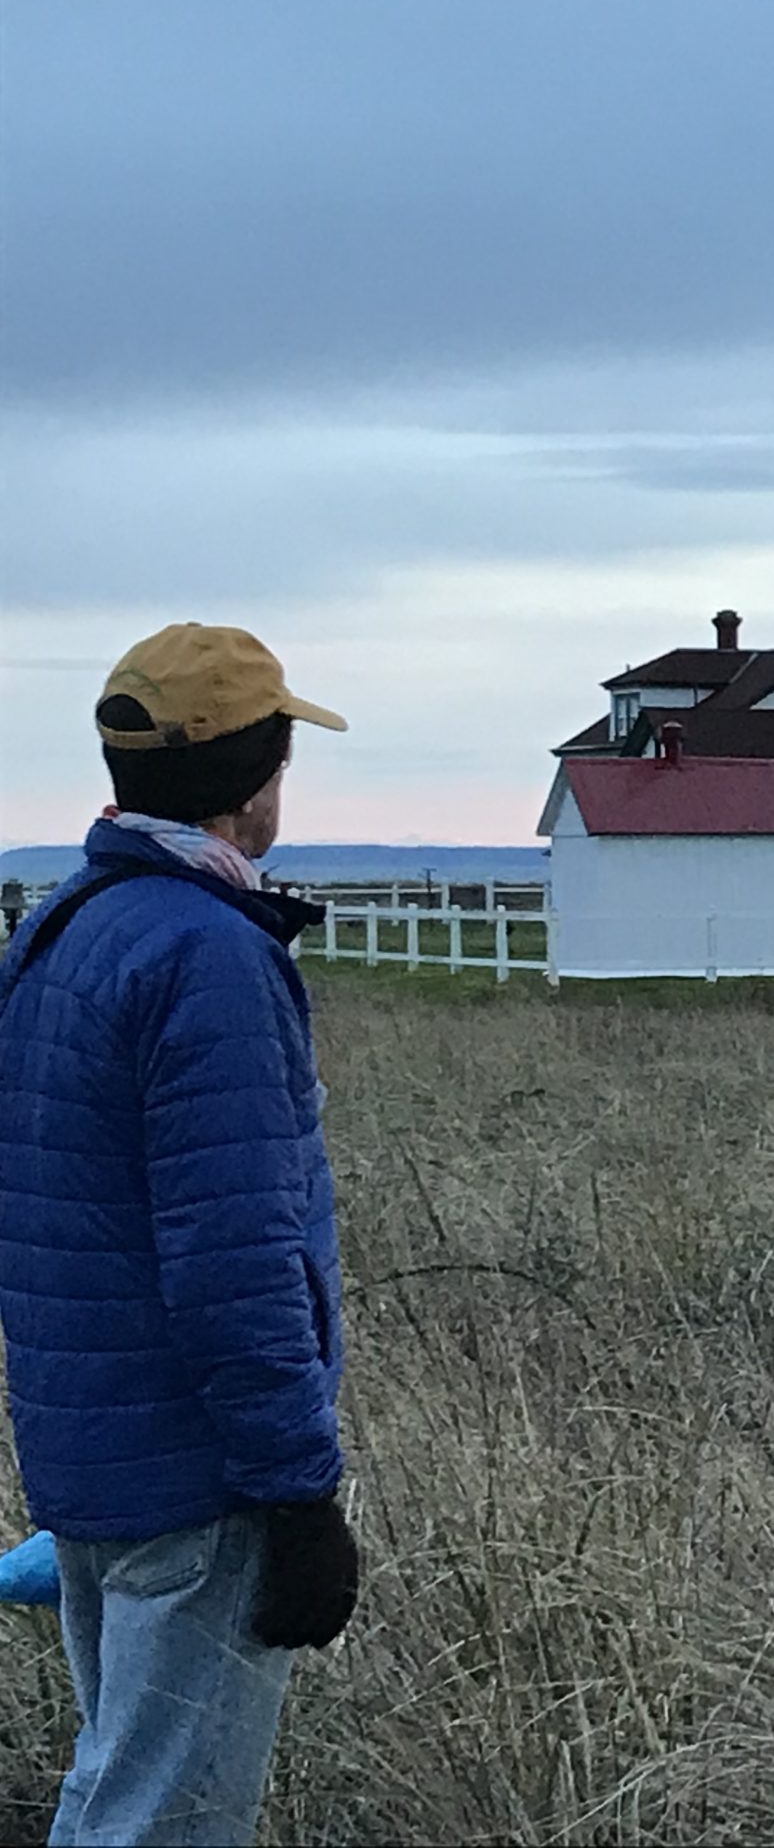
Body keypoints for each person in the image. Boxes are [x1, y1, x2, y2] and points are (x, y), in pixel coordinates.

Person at [0, 624, 360, 1846]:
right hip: (199, 1478)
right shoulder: (208, 954)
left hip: (95, 1456)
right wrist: (299, 1496)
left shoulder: (63, 929)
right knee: (163, 1824)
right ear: (260, 772)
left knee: (117, 1790)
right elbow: (235, 1258)